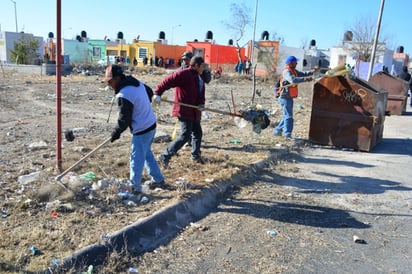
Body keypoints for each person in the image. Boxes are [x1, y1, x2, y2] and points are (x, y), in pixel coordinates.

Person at [103, 64, 165, 200]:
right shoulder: (137, 83)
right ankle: (158, 179)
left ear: (118, 78)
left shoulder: (124, 94)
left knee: (136, 157)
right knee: (146, 153)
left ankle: (135, 188)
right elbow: (149, 92)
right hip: (151, 124)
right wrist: (142, 105)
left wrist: (116, 132)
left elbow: (124, 119)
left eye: (110, 81)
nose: (109, 84)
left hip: (142, 129)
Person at [153, 56, 207, 168]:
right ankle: (165, 156)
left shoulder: (200, 78)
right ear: (196, 65)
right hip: (184, 110)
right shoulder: (184, 74)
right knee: (185, 136)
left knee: (197, 133)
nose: (203, 68)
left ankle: (195, 156)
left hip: (195, 111)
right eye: (202, 66)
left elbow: (201, 94)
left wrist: (201, 104)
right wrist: (158, 93)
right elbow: (168, 81)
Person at [273, 55, 319, 140]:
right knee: (288, 116)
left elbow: (303, 74)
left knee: (286, 115)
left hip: (288, 96)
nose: (297, 63)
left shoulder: (293, 70)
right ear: (291, 63)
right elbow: (293, 80)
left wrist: (313, 71)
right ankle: (287, 135)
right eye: (295, 62)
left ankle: (277, 130)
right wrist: (305, 80)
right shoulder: (287, 71)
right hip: (285, 97)